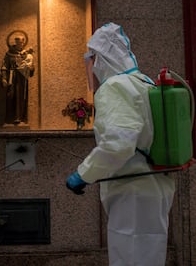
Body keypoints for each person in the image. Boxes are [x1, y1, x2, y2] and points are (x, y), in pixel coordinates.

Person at [66, 22, 175, 266]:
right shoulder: (143, 82)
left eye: (92, 58)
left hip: (132, 192)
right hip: (155, 187)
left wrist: (84, 174)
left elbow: (119, 143)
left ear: (102, 58)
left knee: (130, 256)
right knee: (150, 255)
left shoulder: (115, 87)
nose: (90, 66)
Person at [0, 35, 35, 125]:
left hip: (22, 79)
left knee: (21, 98)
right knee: (10, 97)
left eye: (22, 42)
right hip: (12, 78)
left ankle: (20, 118)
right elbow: (4, 66)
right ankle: (9, 119)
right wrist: (4, 78)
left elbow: (30, 66)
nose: (21, 44)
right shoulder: (9, 54)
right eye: (19, 42)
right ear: (15, 42)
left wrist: (31, 68)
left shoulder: (26, 55)